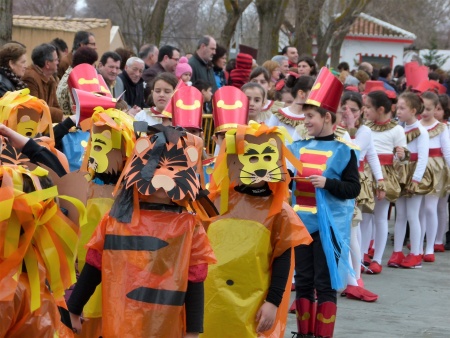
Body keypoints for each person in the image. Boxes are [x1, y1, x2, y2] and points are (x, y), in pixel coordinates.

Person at [68, 123, 216, 338]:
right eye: (154, 166)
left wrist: (193, 331)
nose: (162, 177)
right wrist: (74, 307)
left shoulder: (189, 227)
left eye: (174, 169)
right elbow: (94, 265)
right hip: (119, 322)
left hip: (164, 325)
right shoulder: (115, 220)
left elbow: (195, 280)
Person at [203, 116, 311, 337]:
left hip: (253, 299)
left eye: (266, 157)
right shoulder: (216, 202)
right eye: (250, 157)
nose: (259, 167)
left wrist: (273, 302)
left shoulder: (278, 211)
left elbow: (283, 259)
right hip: (211, 297)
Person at [290, 67, 360, 338]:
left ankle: (323, 335)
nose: (305, 121)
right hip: (301, 226)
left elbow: (352, 188)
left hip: (329, 228)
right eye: (304, 116)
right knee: (304, 281)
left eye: (310, 116)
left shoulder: (345, 151)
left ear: (327, 117)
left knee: (326, 283)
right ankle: (304, 333)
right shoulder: (296, 148)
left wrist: (328, 183)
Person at [339, 91, 382, 300]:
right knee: (349, 232)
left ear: (361, 111)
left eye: (353, 110)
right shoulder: (337, 129)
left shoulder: (363, 130)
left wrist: (380, 179)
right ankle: (350, 278)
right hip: (336, 182)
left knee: (353, 229)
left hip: (352, 183)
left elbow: (355, 152)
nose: (348, 113)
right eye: (344, 108)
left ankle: (355, 277)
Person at [361, 90, 407, 274]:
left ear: (380, 109)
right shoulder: (366, 126)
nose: (365, 111)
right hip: (366, 173)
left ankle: (377, 259)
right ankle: (362, 254)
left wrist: (403, 155)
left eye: (368, 107)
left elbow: (405, 157)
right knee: (364, 217)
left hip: (385, 176)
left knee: (380, 217)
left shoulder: (397, 129)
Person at [387, 92, 429, 269]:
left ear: (413, 110)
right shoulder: (399, 129)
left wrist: (416, 179)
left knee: (413, 215)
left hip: (414, 177)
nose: (398, 111)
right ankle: (397, 252)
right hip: (401, 175)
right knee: (400, 215)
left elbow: (423, 158)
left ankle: (416, 253)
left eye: (403, 108)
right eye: (398, 107)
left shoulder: (422, 132)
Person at [419, 91, 450, 262]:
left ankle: (430, 246)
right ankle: (419, 246)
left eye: (429, 108)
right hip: (417, 169)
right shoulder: (415, 125)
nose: (424, 112)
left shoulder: (442, 127)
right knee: (419, 210)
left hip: (435, 170)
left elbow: (447, 151)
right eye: (422, 108)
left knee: (431, 208)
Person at [21, 43, 63, 122]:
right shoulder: (30, 78)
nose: (58, 62)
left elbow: (56, 106)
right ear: (47, 64)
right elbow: (36, 108)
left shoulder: (50, 79)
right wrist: (59, 115)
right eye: (56, 60)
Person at [56, 46, 99, 116]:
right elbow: (76, 110)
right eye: (93, 64)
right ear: (86, 65)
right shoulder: (74, 80)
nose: (94, 68)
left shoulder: (71, 74)